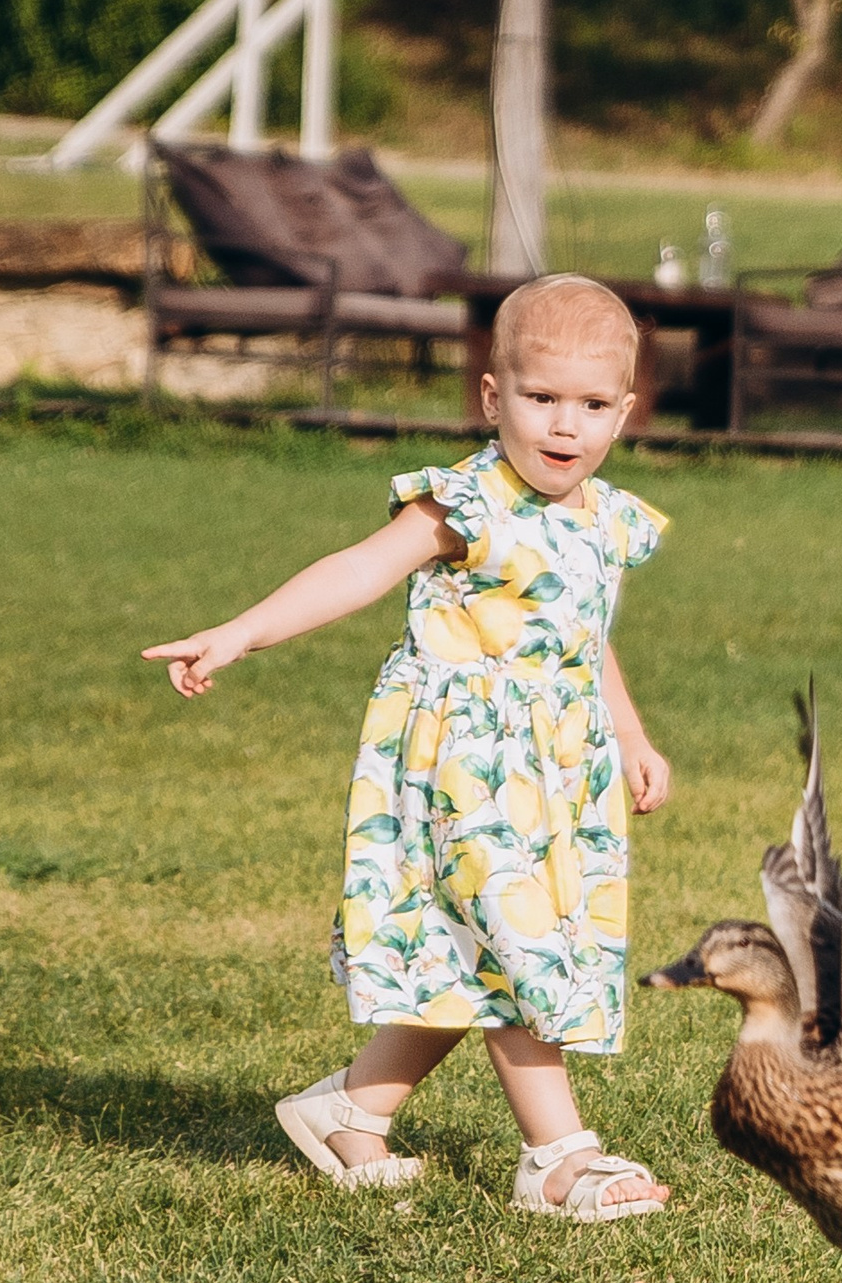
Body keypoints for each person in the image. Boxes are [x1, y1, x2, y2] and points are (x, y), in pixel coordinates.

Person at [143, 274, 675, 1221]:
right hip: (466, 765)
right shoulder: (464, 504)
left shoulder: (604, 518)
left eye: (592, 405)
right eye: (540, 398)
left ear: (624, 411)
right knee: (520, 945)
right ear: (491, 397)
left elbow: (583, 636)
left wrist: (628, 733)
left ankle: (350, 1107)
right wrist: (240, 631)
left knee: (465, 951)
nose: (564, 426)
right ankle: (557, 1156)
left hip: (558, 771)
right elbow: (356, 569)